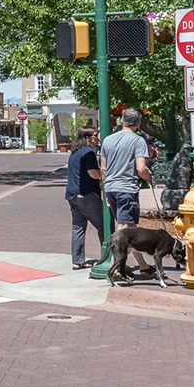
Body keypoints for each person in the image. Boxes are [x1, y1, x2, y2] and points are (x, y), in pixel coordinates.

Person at [99, 109, 151, 262]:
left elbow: (103, 169)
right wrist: (149, 177)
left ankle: (143, 266)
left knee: (131, 229)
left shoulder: (107, 140)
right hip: (126, 188)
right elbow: (141, 168)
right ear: (138, 124)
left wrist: (105, 190)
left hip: (111, 187)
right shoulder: (138, 141)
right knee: (123, 229)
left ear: (122, 121)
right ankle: (114, 267)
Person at [65, 128, 103, 270]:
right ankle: (107, 257)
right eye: (95, 135)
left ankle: (78, 260)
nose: (98, 138)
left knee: (78, 226)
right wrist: (103, 175)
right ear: (87, 137)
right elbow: (93, 173)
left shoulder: (74, 152)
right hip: (87, 194)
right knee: (103, 224)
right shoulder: (89, 153)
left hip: (72, 195)